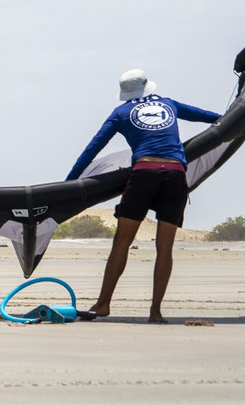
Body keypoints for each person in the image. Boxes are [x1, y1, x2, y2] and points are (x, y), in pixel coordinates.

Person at [66, 69, 220, 323]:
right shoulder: (169, 104)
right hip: (174, 173)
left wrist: (70, 182)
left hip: (144, 172)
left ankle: (103, 304)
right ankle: (155, 312)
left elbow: (93, 147)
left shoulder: (121, 113)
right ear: (148, 87)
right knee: (164, 249)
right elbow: (211, 119)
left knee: (122, 242)